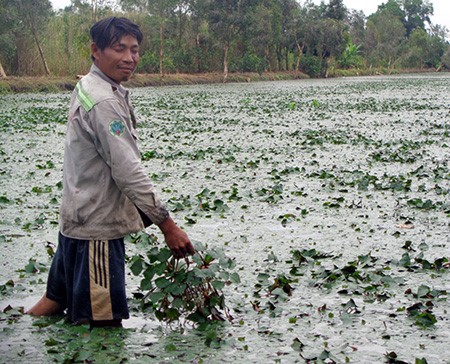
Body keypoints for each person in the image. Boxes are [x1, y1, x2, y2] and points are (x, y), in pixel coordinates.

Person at [26, 17, 195, 327]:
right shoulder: (104, 100)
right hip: (97, 235)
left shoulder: (89, 85)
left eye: (134, 50)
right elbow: (127, 170)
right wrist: (167, 225)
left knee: (53, 302)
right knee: (103, 331)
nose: (129, 58)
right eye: (120, 49)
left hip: (74, 221)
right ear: (96, 50)